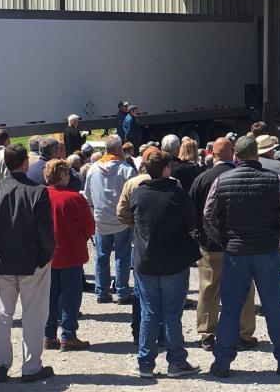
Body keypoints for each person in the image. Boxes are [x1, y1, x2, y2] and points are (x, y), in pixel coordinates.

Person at [203, 136, 280, 378]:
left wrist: (224, 240)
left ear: (236, 156)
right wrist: (279, 236)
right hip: (266, 250)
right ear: (257, 154)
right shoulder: (275, 180)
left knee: (230, 309)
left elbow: (208, 218)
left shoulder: (221, 180)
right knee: (274, 307)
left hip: (235, 252)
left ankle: (222, 363)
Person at [0, 143, 55, 383]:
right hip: (32, 262)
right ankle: (31, 367)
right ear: (26, 162)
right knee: (34, 315)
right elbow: (45, 233)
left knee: (1, 314)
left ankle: (0, 365)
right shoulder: (38, 191)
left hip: (1, 262)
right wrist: (45, 257)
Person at [122, 149, 201, 378]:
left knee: (149, 312)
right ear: (167, 169)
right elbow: (191, 222)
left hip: (145, 261)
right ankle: (176, 361)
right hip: (173, 261)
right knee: (172, 313)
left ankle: (145, 363)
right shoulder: (177, 194)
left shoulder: (138, 193)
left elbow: (128, 215)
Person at [188, 138, 257, 352]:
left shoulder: (201, 179)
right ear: (233, 153)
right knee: (244, 289)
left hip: (210, 244)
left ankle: (207, 333)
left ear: (212, 154)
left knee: (209, 289)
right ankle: (244, 333)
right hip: (240, 243)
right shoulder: (240, 177)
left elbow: (192, 213)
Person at [43, 159, 94, 352]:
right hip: (71, 254)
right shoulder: (74, 198)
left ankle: (48, 335)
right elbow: (89, 226)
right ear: (63, 175)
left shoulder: (40, 196)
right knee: (71, 297)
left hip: (48, 256)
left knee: (49, 296)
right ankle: (68, 335)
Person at [83, 134, 136, 304]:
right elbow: (133, 197)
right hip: (121, 221)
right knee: (122, 256)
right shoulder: (127, 170)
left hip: (100, 220)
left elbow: (88, 196)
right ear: (120, 149)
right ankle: (122, 292)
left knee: (101, 256)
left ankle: (102, 292)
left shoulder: (92, 169)